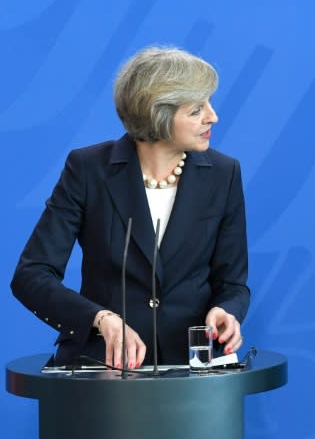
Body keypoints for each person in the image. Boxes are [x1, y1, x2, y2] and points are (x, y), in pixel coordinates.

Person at [11, 46, 249, 369]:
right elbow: (31, 276)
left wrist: (227, 310)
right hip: (105, 371)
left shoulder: (224, 174)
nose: (213, 116)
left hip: (196, 375)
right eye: (196, 110)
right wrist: (100, 318)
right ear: (157, 115)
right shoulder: (87, 169)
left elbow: (232, 283)